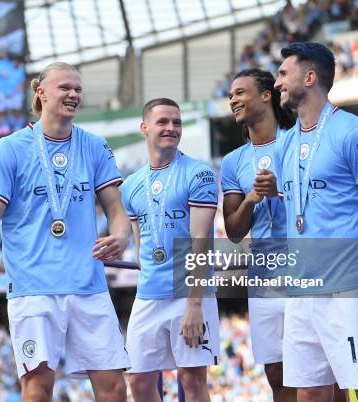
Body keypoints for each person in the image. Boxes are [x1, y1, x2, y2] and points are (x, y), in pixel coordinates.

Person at [0, 62, 130, 402]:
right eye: (65, 87)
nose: (74, 94)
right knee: (38, 390)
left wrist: (122, 236)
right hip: (33, 289)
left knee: (114, 388)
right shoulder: (10, 148)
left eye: (78, 89)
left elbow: (117, 212)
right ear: (41, 92)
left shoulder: (95, 146)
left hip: (88, 286)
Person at [273, 42, 358, 402]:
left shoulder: (353, 133)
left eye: (283, 74)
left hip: (351, 288)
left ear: (309, 77)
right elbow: (296, 216)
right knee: (309, 392)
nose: (277, 83)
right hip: (302, 290)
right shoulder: (285, 145)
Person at [121, 98, 220, 402]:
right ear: (144, 127)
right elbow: (141, 248)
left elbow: (201, 240)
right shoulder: (130, 185)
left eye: (176, 122)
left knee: (192, 381)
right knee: (137, 382)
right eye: (163, 121)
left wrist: (194, 305)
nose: (171, 128)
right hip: (148, 295)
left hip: (188, 295)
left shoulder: (199, 173)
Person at [221, 68, 296, 402]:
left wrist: (281, 191)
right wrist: (251, 200)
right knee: (277, 373)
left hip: (306, 267)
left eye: (240, 92)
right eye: (231, 95)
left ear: (267, 95)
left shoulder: (297, 141)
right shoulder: (233, 161)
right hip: (264, 275)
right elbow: (235, 230)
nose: (233, 99)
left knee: (322, 371)